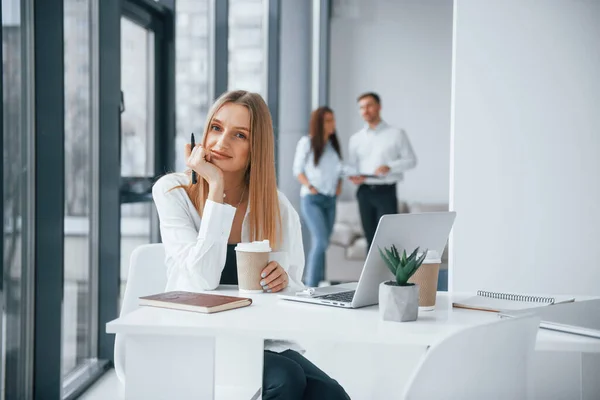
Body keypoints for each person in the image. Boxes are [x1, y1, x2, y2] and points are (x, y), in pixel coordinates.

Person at [152, 90, 350, 400]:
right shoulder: (172, 191)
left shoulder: (277, 207)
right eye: (216, 128)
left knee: (331, 394)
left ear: (255, 147)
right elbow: (199, 279)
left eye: (239, 135)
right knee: (285, 379)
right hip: (198, 335)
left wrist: (283, 282)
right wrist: (215, 187)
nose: (221, 143)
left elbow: (297, 291)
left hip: (258, 338)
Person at [348, 92, 417, 250]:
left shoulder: (396, 134)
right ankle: (371, 276)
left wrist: (390, 167)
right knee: (370, 240)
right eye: (362, 107)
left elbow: (411, 160)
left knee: (388, 239)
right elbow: (353, 166)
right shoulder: (356, 139)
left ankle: (389, 275)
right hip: (364, 191)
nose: (365, 110)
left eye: (369, 105)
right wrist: (354, 176)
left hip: (386, 192)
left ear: (379, 107)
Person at [292, 106, 343, 287]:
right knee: (321, 241)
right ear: (319, 123)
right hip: (312, 199)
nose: (332, 124)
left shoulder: (333, 146)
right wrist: (310, 186)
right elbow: (297, 170)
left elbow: (339, 171)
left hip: (330, 200)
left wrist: (339, 186)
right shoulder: (307, 142)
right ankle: (311, 286)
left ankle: (319, 282)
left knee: (324, 243)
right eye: (328, 120)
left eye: (333, 119)